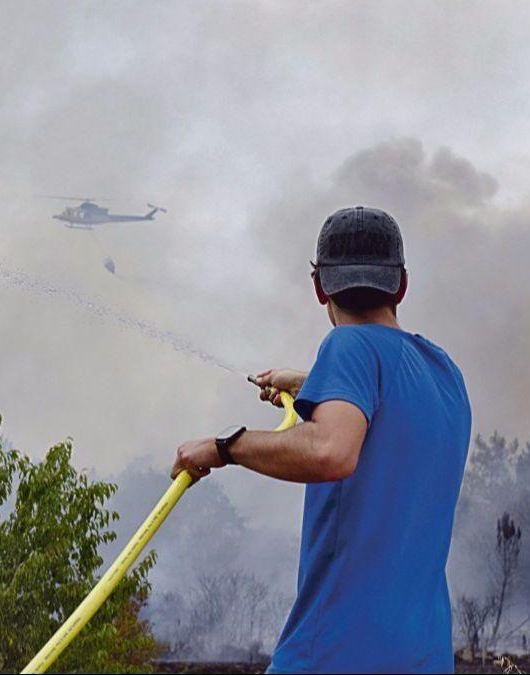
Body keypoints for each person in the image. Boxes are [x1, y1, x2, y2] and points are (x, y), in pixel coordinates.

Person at [172, 205, 471, 673]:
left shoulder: (347, 347)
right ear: (402, 285)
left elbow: (330, 451)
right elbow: (387, 412)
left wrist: (224, 447)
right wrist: (316, 384)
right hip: (424, 658)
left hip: (335, 654)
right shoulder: (443, 372)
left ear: (318, 288)